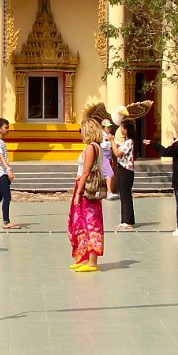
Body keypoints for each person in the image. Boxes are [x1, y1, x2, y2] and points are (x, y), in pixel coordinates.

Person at [67, 107, 107, 271]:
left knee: (91, 223)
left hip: (87, 189)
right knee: (82, 222)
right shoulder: (97, 147)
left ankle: (92, 262)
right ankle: (83, 257)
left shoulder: (91, 147)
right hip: (86, 187)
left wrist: (78, 193)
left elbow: (86, 172)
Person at [114, 117, 137, 231]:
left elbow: (117, 153)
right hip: (123, 169)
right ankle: (125, 220)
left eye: (122, 127)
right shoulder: (126, 142)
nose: (121, 129)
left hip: (126, 170)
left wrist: (112, 141)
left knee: (126, 195)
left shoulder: (129, 142)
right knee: (123, 195)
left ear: (126, 129)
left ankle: (127, 220)